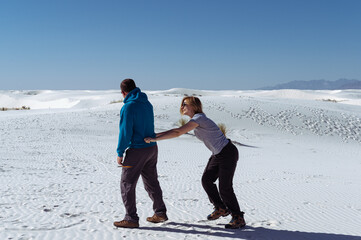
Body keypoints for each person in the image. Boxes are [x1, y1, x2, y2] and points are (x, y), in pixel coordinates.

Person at [144, 96, 245, 229]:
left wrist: (154, 139)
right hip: (218, 154)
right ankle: (220, 208)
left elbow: (177, 132)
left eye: (185, 104)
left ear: (194, 106)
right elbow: (177, 130)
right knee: (207, 180)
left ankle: (238, 217)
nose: (182, 107)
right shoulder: (195, 120)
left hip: (227, 153)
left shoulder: (199, 118)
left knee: (225, 187)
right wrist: (154, 135)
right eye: (182, 104)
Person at [114, 79, 167, 229]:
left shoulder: (128, 107)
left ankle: (131, 218)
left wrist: (120, 152)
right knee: (151, 181)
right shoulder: (147, 104)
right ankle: (160, 212)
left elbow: (125, 132)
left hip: (137, 150)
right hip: (152, 148)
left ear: (123, 92)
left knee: (127, 183)